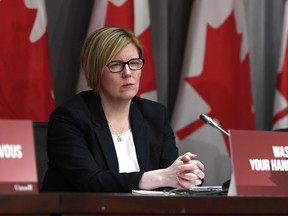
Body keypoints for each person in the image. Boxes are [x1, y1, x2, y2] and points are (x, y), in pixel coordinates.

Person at [42, 26, 205, 192]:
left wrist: (185, 175)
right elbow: (91, 181)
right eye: (116, 65)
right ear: (95, 70)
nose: (128, 73)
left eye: (134, 63)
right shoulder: (70, 118)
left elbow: (169, 177)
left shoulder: (154, 115)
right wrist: (159, 177)